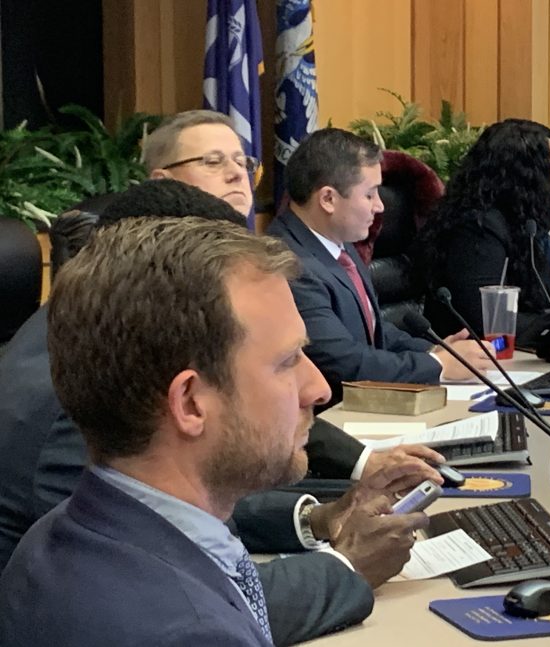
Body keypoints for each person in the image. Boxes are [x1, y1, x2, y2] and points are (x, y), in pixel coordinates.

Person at [0, 180, 439, 645]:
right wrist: (348, 560)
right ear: (190, 403)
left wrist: (321, 516)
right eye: (287, 361)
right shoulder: (193, 632)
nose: (318, 388)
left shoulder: (57, 532)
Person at [142, 110, 442, 485]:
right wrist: (317, 506)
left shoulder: (252, 260)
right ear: (162, 182)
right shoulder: (149, 285)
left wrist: (363, 464)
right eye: (213, 162)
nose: (236, 174)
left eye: (242, 161)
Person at [267, 128, 493, 407]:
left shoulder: (338, 242)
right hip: (333, 416)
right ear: (328, 199)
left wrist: (438, 350)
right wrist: (438, 365)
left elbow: (373, 330)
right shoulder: (288, 264)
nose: (380, 206)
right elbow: (343, 362)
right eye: (370, 194)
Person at [417, 119, 550, 338]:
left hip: (538, 350)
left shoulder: (541, 218)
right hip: (482, 352)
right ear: (526, 174)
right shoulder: (477, 228)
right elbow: (487, 323)